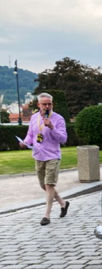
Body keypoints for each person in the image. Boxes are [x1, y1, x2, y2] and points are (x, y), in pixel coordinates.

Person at [19, 93, 70, 226]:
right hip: (38, 155)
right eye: (44, 104)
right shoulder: (34, 118)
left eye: (49, 104)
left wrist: (52, 127)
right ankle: (63, 203)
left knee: (49, 184)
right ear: (38, 105)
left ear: (52, 104)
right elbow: (31, 134)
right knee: (44, 185)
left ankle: (46, 215)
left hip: (53, 156)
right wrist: (24, 142)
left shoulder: (58, 119)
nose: (47, 106)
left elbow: (63, 139)